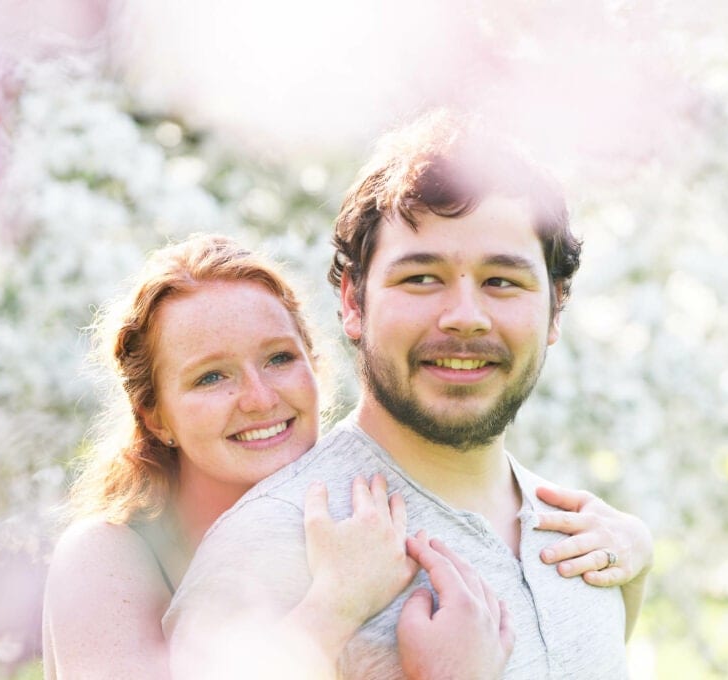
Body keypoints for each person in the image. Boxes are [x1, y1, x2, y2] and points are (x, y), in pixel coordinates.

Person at [164, 112, 652, 679]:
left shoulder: (591, 540)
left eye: (502, 281)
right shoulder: (271, 545)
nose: (465, 318)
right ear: (353, 300)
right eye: (421, 277)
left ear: (555, 308)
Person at [43, 233, 650, 678]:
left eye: (280, 359)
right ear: (154, 415)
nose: (259, 398)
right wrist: (338, 605)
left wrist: (636, 563)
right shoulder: (108, 554)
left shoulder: (356, 514)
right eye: (210, 378)